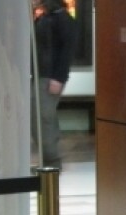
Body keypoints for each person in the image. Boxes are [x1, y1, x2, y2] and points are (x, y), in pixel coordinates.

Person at [31, 0, 78, 170]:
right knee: (41, 116)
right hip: (40, 74)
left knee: (43, 118)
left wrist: (58, 77)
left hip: (50, 76)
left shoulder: (62, 20)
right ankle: (48, 158)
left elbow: (67, 51)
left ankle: (51, 160)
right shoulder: (44, 18)